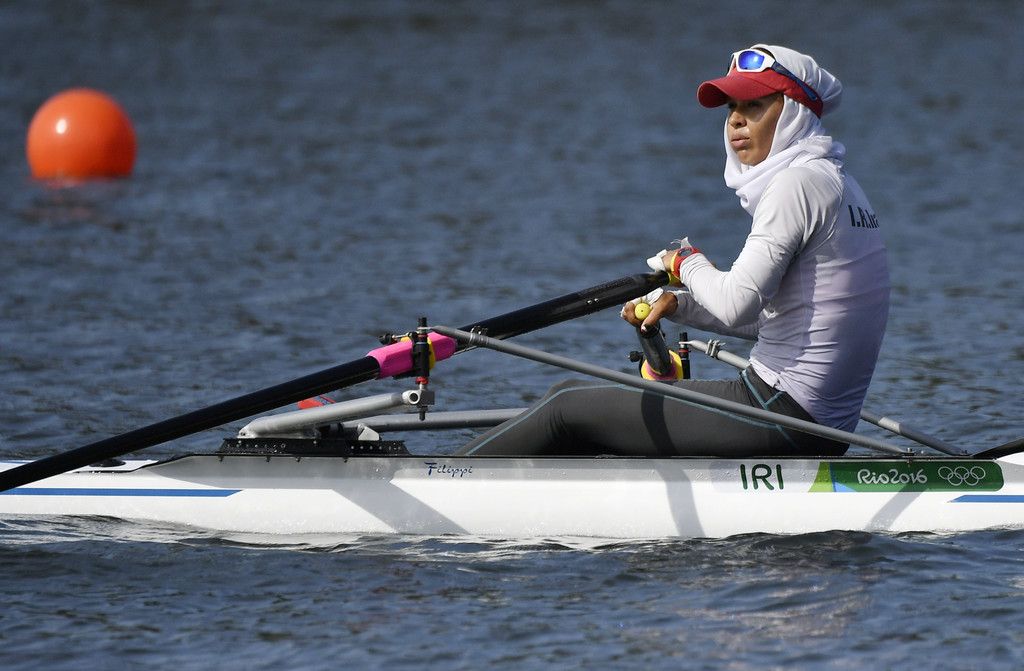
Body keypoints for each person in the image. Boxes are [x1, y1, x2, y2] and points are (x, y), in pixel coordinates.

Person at [458, 44, 889, 458]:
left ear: (794, 112)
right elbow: (787, 320)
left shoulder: (795, 185)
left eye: (754, 106)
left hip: (779, 409)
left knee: (564, 403)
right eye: (731, 108)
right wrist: (681, 305)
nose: (736, 121)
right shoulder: (839, 184)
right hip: (823, 424)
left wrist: (684, 261)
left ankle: (436, 478)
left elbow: (737, 305)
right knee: (592, 416)